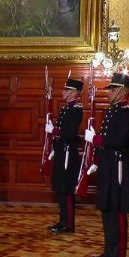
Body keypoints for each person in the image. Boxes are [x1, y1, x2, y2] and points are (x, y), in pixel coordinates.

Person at [85, 72, 129, 257]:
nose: (109, 93)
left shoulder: (126, 113)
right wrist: (97, 161)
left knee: (117, 209)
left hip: (118, 166)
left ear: (123, 92)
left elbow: (118, 141)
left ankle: (118, 253)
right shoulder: (114, 111)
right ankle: (108, 251)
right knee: (107, 208)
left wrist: (95, 139)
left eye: (113, 89)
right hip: (107, 164)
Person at [44, 77, 83, 234]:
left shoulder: (76, 110)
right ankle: (63, 221)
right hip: (61, 150)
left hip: (68, 152)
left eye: (66, 90)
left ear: (74, 93)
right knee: (61, 188)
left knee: (66, 189)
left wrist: (54, 131)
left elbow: (69, 133)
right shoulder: (67, 108)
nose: (63, 92)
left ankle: (68, 224)